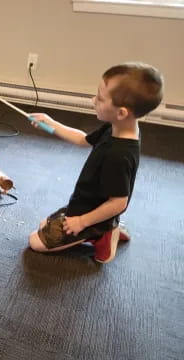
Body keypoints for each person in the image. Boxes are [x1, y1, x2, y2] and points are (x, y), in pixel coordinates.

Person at [28, 62, 163, 263]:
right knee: (42, 225)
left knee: (35, 243)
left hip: (89, 215)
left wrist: (82, 222)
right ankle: (108, 225)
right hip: (85, 202)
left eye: (99, 98)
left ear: (122, 112)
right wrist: (51, 124)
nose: (93, 100)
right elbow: (83, 140)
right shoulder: (116, 127)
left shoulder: (119, 154)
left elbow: (118, 203)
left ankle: (103, 233)